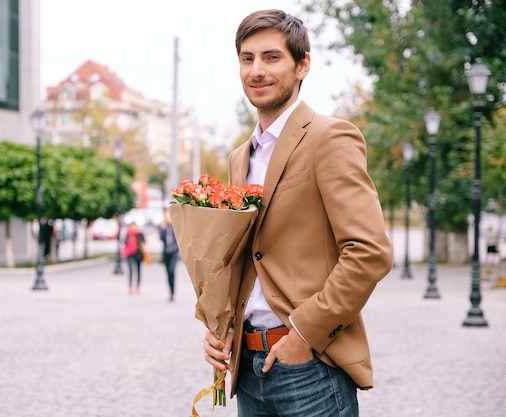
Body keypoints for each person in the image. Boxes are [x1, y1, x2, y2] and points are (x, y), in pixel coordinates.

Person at [202, 10, 393, 416]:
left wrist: (304, 335)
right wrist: (221, 328)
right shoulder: (240, 157)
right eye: (247, 58)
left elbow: (369, 251)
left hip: (309, 368)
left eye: (272, 57)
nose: (257, 70)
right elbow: (248, 257)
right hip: (248, 370)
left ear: (302, 64)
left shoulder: (330, 138)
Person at [159, 209, 179, 301]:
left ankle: (173, 291)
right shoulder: (163, 227)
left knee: (171, 270)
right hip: (166, 251)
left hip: (174, 251)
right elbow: (161, 238)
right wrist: (162, 228)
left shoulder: (175, 226)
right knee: (167, 272)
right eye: (165, 215)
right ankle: (170, 292)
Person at [122, 222, 145, 295]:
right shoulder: (128, 234)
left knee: (138, 271)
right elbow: (124, 242)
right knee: (130, 270)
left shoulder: (139, 234)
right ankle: (130, 286)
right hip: (130, 254)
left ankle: (137, 287)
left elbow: (144, 243)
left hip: (138, 254)